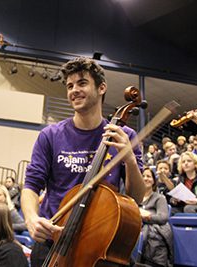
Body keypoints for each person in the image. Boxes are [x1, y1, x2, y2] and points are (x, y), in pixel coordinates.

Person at [21, 57, 145, 266]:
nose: (74, 90)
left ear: (101, 88)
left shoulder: (124, 135)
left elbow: (136, 197)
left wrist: (130, 160)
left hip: (99, 245)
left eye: (82, 83)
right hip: (53, 243)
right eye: (70, 86)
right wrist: (31, 218)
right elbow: (31, 186)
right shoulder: (50, 135)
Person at [137, 168, 172, 266]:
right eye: (143, 176)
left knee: (153, 237)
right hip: (137, 227)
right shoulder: (135, 196)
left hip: (153, 229)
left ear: (153, 181)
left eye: (148, 176)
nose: (145, 178)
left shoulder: (159, 198)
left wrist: (147, 216)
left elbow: (163, 218)